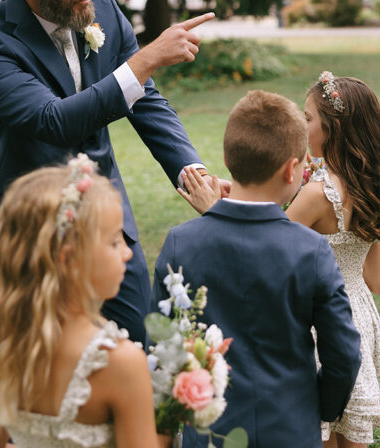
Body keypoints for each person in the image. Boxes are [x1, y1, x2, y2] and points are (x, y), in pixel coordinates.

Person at [0, 0, 219, 344]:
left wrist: (194, 171)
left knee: (135, 340)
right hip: (29, 225)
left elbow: (144, 100)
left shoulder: (104, 11)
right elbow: (51, 121)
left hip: (106, 217)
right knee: (29, 357)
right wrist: (145, 59)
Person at [152, 90, 362, 448]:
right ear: (292, 169)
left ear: (229, 157)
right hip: (290, 428)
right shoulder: (310, 250)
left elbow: (163, 351)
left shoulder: (180, 243)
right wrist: (318, 408)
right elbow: (342, 352)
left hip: (210, 432)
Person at [0, 155, 167, 448]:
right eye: (114, 242)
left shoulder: (5, 350)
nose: (128, 253)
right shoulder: (120, 363)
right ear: (69, 259)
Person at [286, 72, 380, 448]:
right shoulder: (375, 188)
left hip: (318, 319)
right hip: (357, 319)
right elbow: (378, 282)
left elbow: (268, 244)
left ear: (332, 127)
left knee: (316, 431)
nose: (301, 126)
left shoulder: (317, 194)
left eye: (307, 119)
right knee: (350, 431)